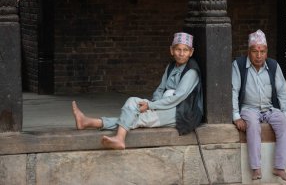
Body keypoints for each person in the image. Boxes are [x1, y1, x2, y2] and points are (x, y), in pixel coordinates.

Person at [72, 32, 203, 150]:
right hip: (162, 104)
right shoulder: (171, 67)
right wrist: (154, 103)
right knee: (132, 101)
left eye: (185, 50)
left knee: (141, 118)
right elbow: (160, 89)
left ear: (191, 52)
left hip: (181, 112)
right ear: (171, 50)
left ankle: (102, 128)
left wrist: (151, 106)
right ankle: (92, 125)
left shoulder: (191, 71)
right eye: (178, 49)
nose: (181, 53)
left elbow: (178, 98)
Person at [231, 29, 286, 182]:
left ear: (266, 52)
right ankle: (256, 167)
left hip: (269, 108)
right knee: (252, 124)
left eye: (262, 51)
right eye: (255, 51)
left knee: (285, 125)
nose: (259, 55)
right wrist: (236, 116)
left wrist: (285, 113)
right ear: (248, 52)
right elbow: (233, 90)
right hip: (248, 108)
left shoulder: (273, 65)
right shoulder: (238, 65)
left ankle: (280, 167)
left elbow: (281, 89)